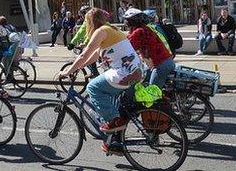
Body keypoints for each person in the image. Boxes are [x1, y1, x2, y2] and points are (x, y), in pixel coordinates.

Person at [58, 8, 143, 154]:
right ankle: (114, 142)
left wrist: (67, 71)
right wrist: (79, 67)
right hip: (136, 70)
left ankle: (115, 121)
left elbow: (84, 55)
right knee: (109, 98)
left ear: (90, 21)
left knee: (93, 87)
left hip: (125, 73)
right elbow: (94, 56)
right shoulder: (110, 29)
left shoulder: (100, 32)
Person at [124, 8, 175, 88]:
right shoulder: (146, 28)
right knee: (143, 81)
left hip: (160, 65)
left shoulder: (139, 32)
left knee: (151, 94)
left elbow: (127, 47)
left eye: (126, 21)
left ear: (131, 22)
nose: (125, 23)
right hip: (165, 62)